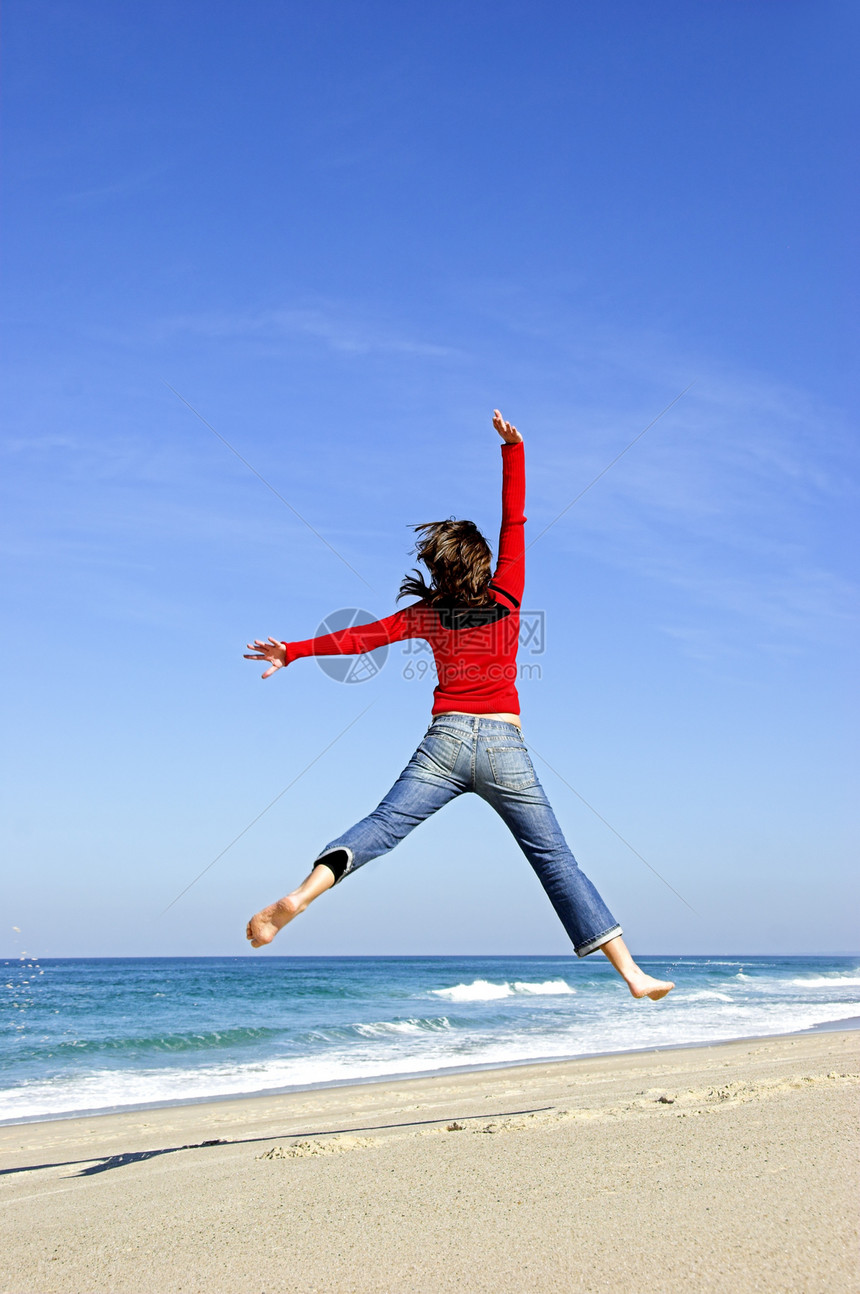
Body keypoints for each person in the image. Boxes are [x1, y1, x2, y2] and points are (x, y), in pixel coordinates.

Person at [245, 411, 674, 1001]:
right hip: (504, 746)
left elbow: (360, 638)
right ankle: (632, 974)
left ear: (439, 569)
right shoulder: (507, 593)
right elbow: (515, 520)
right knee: (555, 860)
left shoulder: (426, 616)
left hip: (444, 744)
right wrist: (514, 451)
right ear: (481, 563)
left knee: (383, 826)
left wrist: (293, 651)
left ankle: (301, 895)